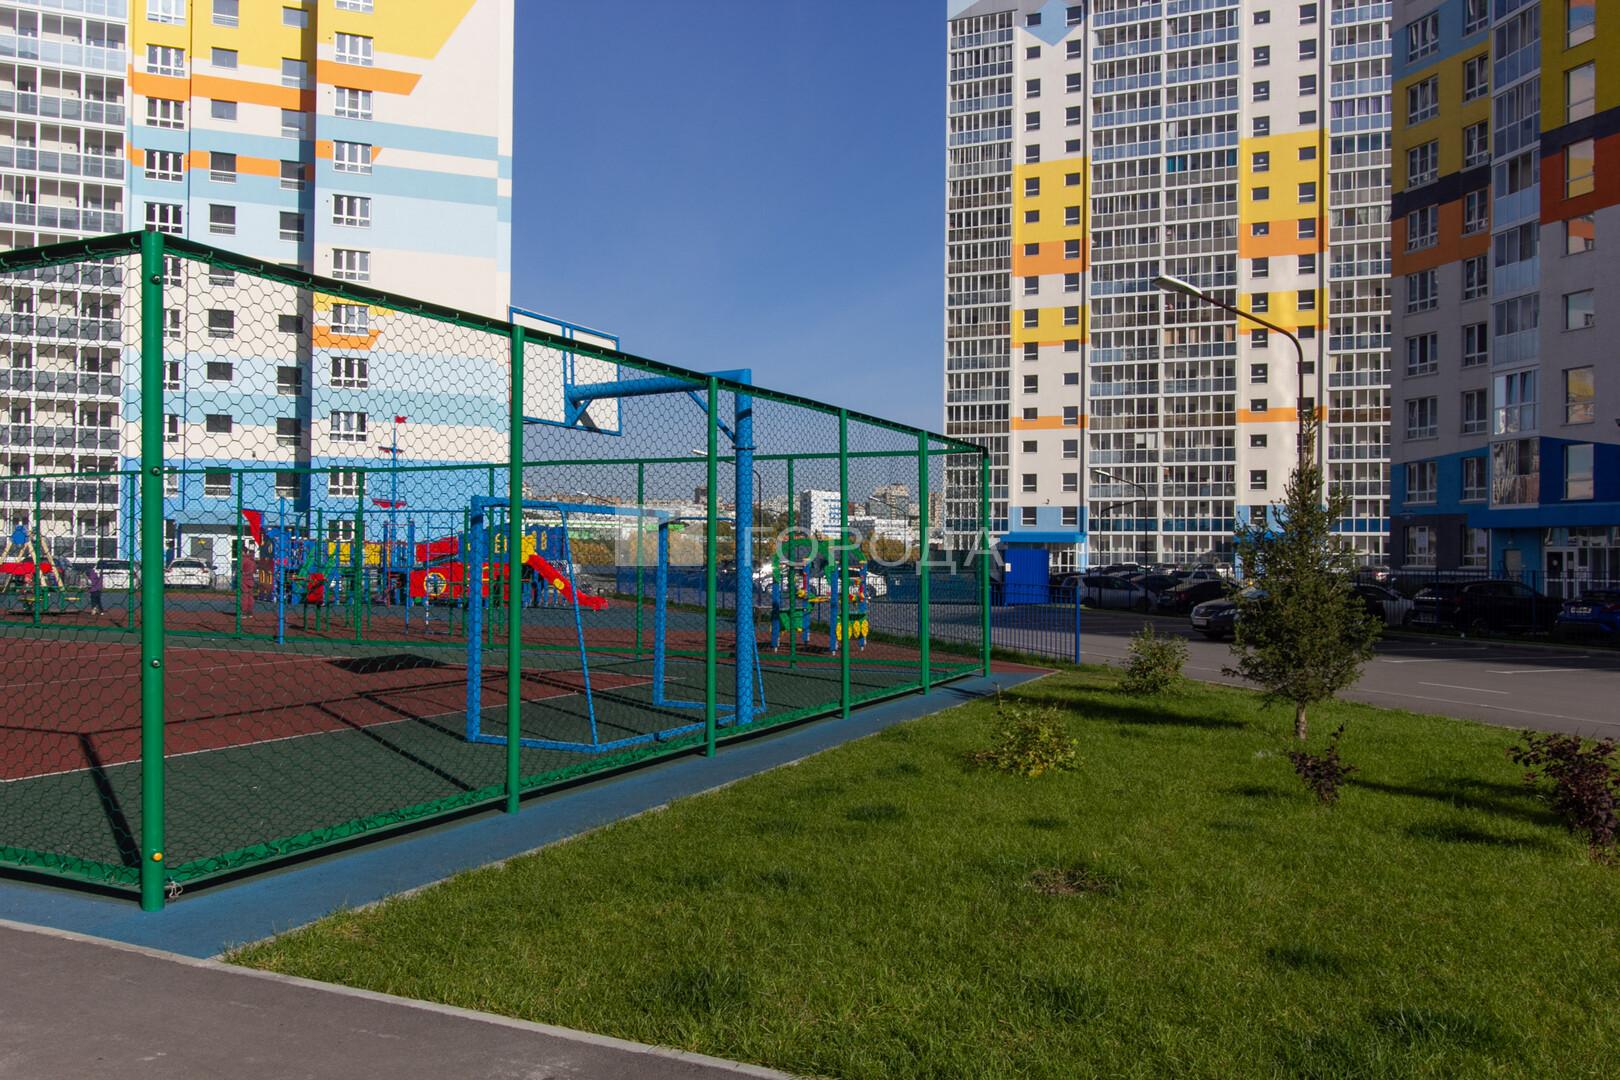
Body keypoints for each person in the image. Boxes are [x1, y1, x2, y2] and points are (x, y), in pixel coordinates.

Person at [240, 542, 257, 619]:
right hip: (251, 579)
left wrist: (243, 573)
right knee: (250, 596)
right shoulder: (252, 560)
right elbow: (255, 570)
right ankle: (250, 612)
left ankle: (244, 612)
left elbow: (240, 569)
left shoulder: (243, 559)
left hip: (244, 579)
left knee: (244, 596)